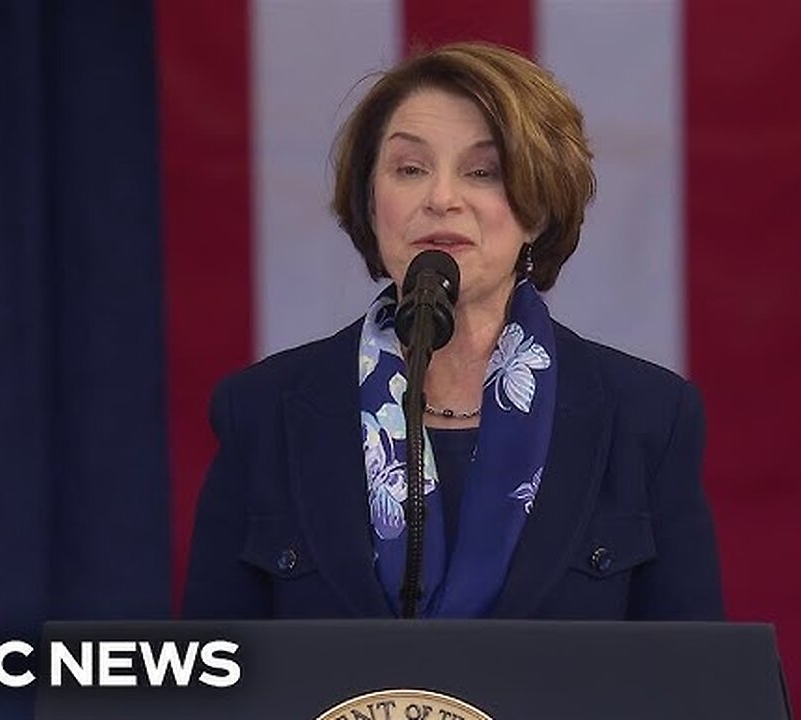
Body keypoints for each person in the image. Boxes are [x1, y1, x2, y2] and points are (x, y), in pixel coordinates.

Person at [183, 42, 723, 620]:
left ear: (537, 209)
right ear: (370, 201)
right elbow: (218, 681)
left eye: (483, 172)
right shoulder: (262, 413)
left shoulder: (647, 418)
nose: (441, 198)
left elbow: (694, 684)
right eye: (409, 169)